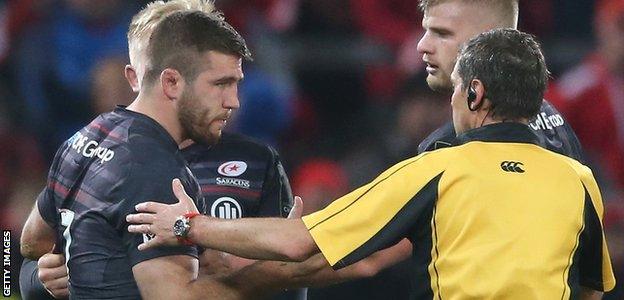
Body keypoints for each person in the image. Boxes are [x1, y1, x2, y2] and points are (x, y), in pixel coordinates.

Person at [128, 28, 616, 299]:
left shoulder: (438, 169)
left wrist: (188, 225)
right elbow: (592, 289)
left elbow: (299, 242)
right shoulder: (578, 178)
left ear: (475, 92)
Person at [19, 1, 300, 299]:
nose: (232, 101)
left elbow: (290, 289)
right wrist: (39, 278)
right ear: (152, 77)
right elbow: (21, 259)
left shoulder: (257, 163)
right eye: (220, 84)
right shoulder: (144, 164)